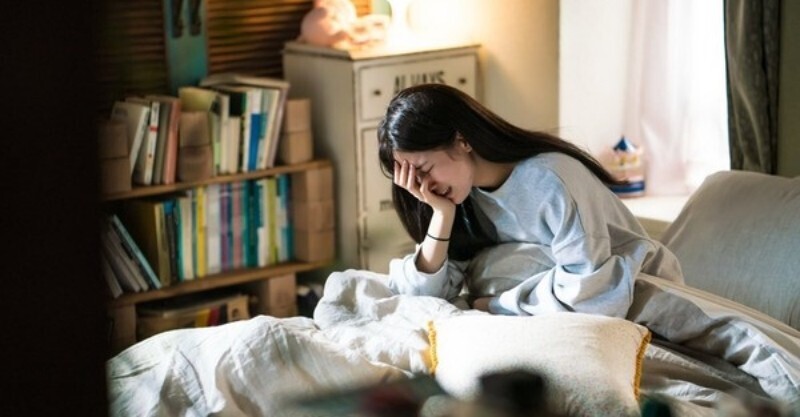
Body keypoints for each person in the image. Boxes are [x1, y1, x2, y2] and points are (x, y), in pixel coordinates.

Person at [377, 83, 684, 317]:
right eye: (413, 181)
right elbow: (420, 296)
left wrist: (493, 304)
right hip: (554, 309)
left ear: (462, 139)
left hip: (641, 299)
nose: (424, 188)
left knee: (493, 267)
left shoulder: (550, 179)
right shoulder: (462, 199)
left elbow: (592, 293)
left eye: (424, 170)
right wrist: (442, 216)